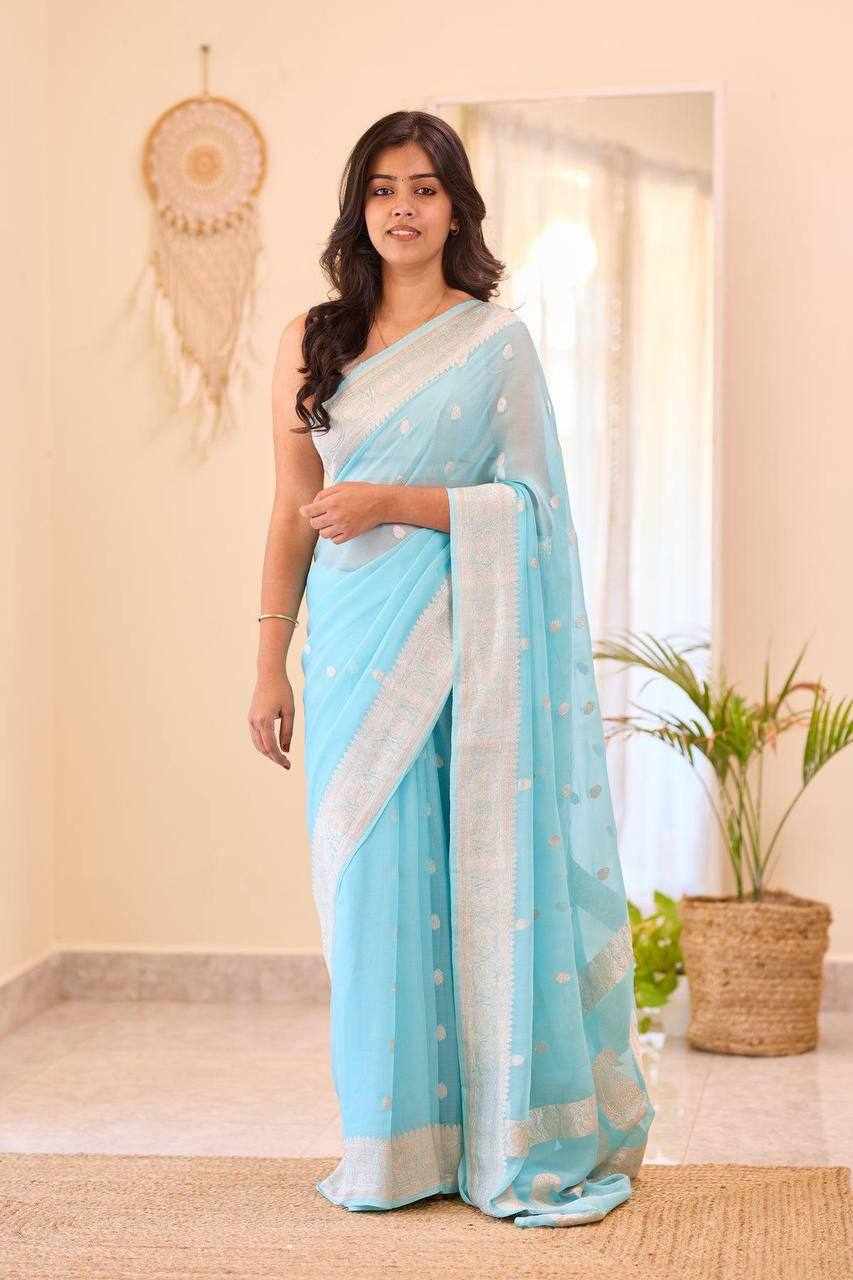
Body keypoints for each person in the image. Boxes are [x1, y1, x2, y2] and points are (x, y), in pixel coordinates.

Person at [247, 109, 655, 1229]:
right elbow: (288, 510)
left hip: (469, 649)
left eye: (424, 188)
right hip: (351, 648)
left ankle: (495, 1135)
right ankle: (390, 1148)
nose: (402, 208)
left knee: (467, 873)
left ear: (456, 207)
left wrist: (395, 500)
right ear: (358, 208)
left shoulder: (493, 343)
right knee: (371, 886)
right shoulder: (310, 339)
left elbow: (534, 509)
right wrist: (267, 663)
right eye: (382, 188)